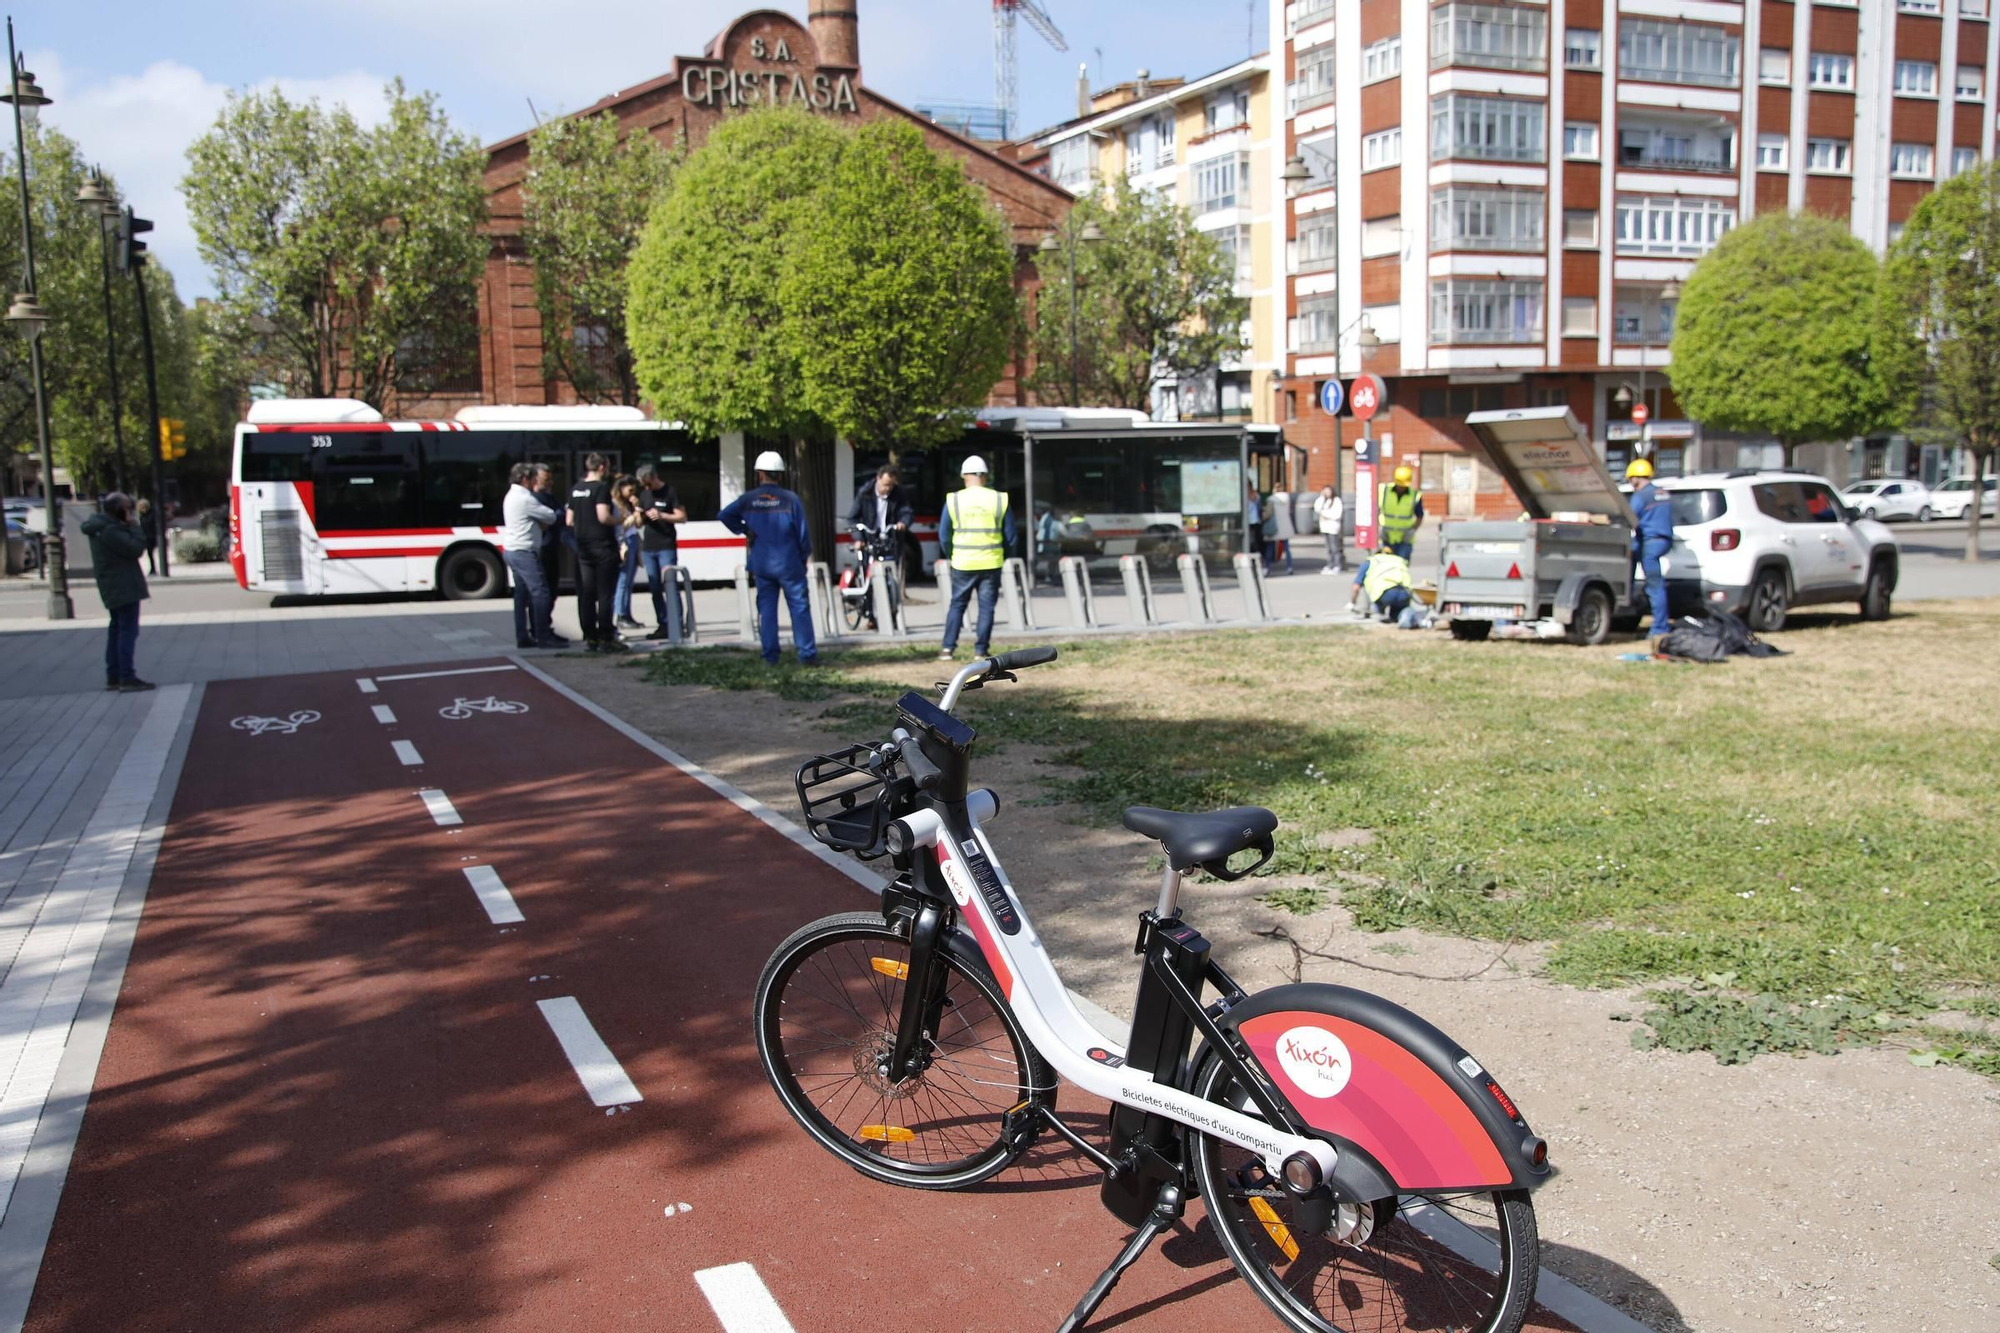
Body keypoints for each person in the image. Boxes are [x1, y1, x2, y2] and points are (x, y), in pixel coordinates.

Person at [719, 451, 817, 666]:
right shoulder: (791, 500)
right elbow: (803, 534)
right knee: (799, 609)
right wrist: (802, 557)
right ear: (780, 475)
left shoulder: (748, 499)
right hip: (790, 563)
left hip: (762, 564)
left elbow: (724, 515)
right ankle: (807, 655)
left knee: (767, 610)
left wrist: (744, 529)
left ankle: (770, 656)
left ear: (760, 474)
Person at [937, 455, 1015, 662]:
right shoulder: (999, 499)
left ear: (964, 476)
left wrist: (952, 554)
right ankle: (980, 651)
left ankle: (947, 649)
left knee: (957, 605)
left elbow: (944, 535)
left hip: (962, 561)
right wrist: (1002, 556)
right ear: (986, 476)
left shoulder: (954, 499)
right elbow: (1011, 536)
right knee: (987, 607)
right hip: (991, 561)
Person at [83, 493, 153, 691]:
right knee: (127, 631)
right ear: (118, 510)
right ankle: (126, 677)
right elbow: (136, 548)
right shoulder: (110, 530)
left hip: (113, 584)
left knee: (117, 629)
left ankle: (114, 675)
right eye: (127, 508)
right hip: (123, 586)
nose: (130, 511)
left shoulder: (101, 527)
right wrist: (134, 525)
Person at [566, 453, 627, 654]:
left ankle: (590, 636)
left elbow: (569, 520)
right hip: (602, 547)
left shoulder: (575, 489)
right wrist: (621, 520)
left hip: (583, 549)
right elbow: (603, 517)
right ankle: (606, 637)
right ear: (602, 467)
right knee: (605, 595)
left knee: (587, 594)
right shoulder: (600, 488)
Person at [502, 462, 563, 649]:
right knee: (541, 593)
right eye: (532, 478)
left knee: (521, 595)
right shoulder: (525, 498)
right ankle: (543, 636)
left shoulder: (510, 495)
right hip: (525, 551)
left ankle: (523, 636)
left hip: (512, 550)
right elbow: (551, 516)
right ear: (524, 479)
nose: (534, 482)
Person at [634, 465, 687, 642]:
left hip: (666, 546)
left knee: (670, 586)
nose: (647, 488)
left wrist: (662, 515)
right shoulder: (644, 495)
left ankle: (677, 624)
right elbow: (639, 523)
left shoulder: (670, 492)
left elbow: (682, 517)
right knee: (655, 588)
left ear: (655, 477)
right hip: (649, 547)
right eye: (644, 485)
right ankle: (663, 624)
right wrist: (639, 515)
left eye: (649, 484)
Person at [1627, 457, 1675, 643]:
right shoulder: (1662, 493)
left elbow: (1630, 517)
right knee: (1633, 556)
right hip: (1663, 539)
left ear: (1636, 478)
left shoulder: (1641, 496)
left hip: (1651, 542)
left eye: (1631, 479)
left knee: (1654, 585)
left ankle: (1659, 628)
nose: (1631, 483)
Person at [847, 464, 913, 563]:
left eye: (891, 485)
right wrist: (858, 538)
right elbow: (852, 518)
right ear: (878, 478)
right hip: (869, 540)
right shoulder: (865, 493)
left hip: (890, 541)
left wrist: (903, 522)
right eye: (885, 485)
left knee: (891, 571)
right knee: (867, 570)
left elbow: (907, 511)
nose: (888, 489)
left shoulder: (899, 493)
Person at [531, 464, 567, 632]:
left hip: (552, 547)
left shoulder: (550, 497)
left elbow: (561, 515)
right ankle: (539, 627)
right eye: (546, 479)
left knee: (552, 591)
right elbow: (554, 517)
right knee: (543, 593)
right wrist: (557, 515)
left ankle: (545, 624)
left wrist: (557, 515)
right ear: (535, 479)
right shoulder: (534, 499)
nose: (550, 483)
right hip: (542, 550)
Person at [611, 474, 646, 631]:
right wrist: (631, 516)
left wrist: (637, 508)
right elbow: (622, 525)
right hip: (623, 542)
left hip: (633, 540)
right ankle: (620, 615)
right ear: (620, 489)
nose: (631, 494)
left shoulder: (629, 504)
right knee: (623, 580)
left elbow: (638, 524)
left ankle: (627, 613)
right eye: (629, 490)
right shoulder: (614, 504)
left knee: (630, 580)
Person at [1350, 547, 1417, 623]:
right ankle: (1401, 618)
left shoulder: (1371, 561)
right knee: (1397, 615)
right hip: (1405, 593)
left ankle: (1379, 614)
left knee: (1377, 601)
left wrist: (1352, 603)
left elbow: (1356, 587)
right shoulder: (1399, 560)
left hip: (1385, 593)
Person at [1377, 465, 1425, 560]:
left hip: (1405, 539)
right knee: (1385, 565)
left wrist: (1412, 530)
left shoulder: (1414, 495)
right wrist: (1377, 528)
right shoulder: (1384, 491)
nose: (1401, 487)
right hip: (1385, 537)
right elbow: (1373, 509)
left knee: (1401, 566)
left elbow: (1419, 516)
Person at [1313, 485, 1346, 574]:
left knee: (1335, 547)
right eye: (1325, 491)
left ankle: (1337, 565)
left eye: (1328, 491)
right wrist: (1321, 496)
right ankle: (1330, 564)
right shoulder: (1324, 500)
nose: (1327, 493)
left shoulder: (1336, 500)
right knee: (1328, 548)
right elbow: (1317, 508)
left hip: (1333, 528)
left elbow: (1337, 514)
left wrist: (1325, 514)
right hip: (1325, 528)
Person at [136, 497, 159, 575]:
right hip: (145, 537)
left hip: (151, 537)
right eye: (141, 507)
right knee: (149, 554)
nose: (143, 508)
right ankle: (152, 569)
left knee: (150, 554)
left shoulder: (151, 514)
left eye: (144, 506)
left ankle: (153, 569)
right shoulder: (141, 515)